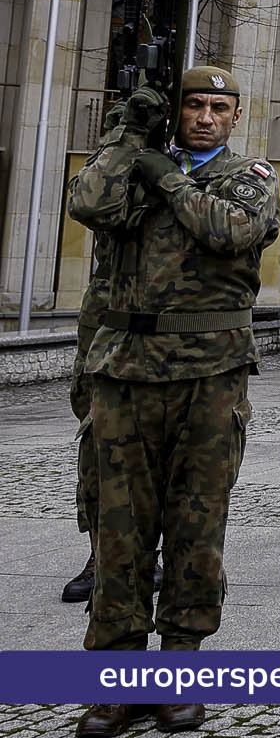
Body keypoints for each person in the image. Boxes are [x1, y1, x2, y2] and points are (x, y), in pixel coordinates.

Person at [67, 66, 280, 738]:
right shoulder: (138, 163)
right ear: (178, 111)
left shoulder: (252, 178)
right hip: (126, 372)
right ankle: (115, 681)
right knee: (120, 530)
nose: (206, 117)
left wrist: (165, 176)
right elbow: (87, 201)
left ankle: (179, 670)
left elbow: (230, 231)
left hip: (209, 376)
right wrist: (128, 133)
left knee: (196, 527)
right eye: (195, 105)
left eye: (220, 107)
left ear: (234, 116)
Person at [62, 148, 118, 606]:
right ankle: (100, 552)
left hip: (169, 318)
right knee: (95, 439)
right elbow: (85, 201)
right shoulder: (119, 155)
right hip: (104, 307)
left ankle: (151, 552)